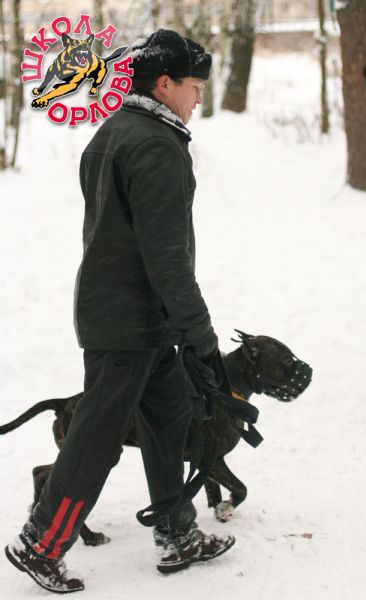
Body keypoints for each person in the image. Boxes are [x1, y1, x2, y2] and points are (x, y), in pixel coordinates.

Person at [4, 29, 235, 594]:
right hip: (129, 320)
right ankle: (41, 543)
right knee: (98, 437)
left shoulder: (114, 132)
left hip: (133, 315)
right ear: (165, 83)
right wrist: (202, 337)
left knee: (169, 415)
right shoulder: (156, 146)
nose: (198, 97)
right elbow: (166, 258)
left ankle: (177, 533)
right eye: (194, 86)